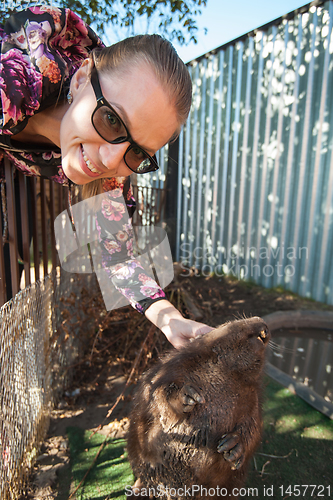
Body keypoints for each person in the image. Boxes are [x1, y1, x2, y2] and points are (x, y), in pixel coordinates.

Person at [0, 5, 213, 348]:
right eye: (112, 120)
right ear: (82, 78)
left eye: (138, 152)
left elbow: (120, 260)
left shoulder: (112, 175)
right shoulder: (18, 72)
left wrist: (170, 318)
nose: (112, 160)